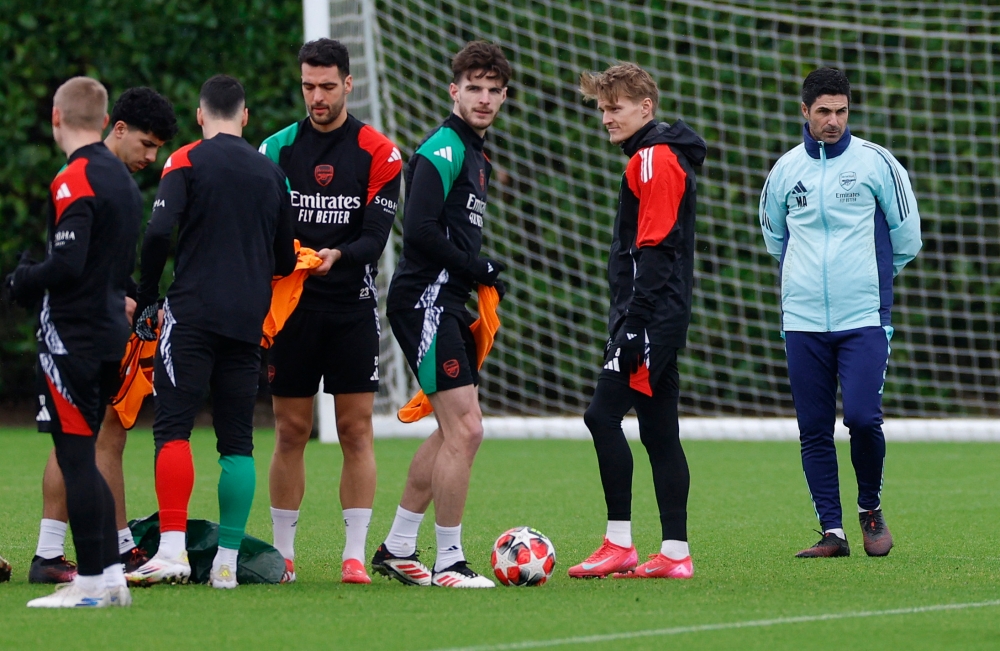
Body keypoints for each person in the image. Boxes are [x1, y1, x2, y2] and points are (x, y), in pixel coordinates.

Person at [124, 75, 332, 589]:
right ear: (244, 117)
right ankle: (226, 564)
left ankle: (170, 550)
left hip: (192, 315)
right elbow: (286, 257)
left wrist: (149, 294)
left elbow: (156, 234)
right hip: (248, 323)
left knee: (172, 428)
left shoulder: (184, 161)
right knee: (237, 442)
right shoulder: (272, 174)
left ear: (200, 115)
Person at [758, 67, 922, 558]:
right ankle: (833, 532)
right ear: (804, 112)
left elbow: (906, 238)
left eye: (842, 111)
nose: (834, 121)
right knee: (812, 428)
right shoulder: (785, 171)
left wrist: (866, 278)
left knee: (863, 418)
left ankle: (869, 509)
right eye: (824, 112)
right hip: (803, 321)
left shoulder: (877, 163)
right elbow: (775, 239)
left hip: (864, 318)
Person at [258, 38, 402, 585]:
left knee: (355, 430)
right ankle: (283, 555)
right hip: (291, 310)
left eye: (326, 86)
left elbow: (375, 238)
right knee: (291, 429)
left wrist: (337, 256)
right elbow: (263, 229)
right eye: (307, 87)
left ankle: (354, 556)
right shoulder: (275, 150)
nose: (316, 97)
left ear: (348, 83)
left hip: (351, 307)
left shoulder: (379, 152)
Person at [370, 41, 510, 589]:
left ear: (503, 96)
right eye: (473, 88)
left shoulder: (478, 155)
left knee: (457, 429)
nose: (483, 99)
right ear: (454, 91)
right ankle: (449, 561)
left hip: (444, 302)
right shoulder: (444, 147)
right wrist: (479, 268)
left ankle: (400, 547)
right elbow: (421, 231)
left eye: (492, 90)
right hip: (425, 299)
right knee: (467, 429)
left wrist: (475, 275)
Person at [31, 87, 177, 585]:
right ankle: (72, 557)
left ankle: (103, 559)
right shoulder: (93, 178)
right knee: (80, 444)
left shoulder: (104, 179)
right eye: (146, 144)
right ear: (115, 128)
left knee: (88, 441)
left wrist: (131, 298)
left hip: (92, 329)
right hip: (86, 331)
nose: (150, 157)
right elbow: (78, 262)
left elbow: (95, 264)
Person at [6, 76, 143, 607]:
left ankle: (89, 583)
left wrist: (24, 279)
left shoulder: (75, 177)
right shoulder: (122, 181)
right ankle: (109, 577)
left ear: (57, 118)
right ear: (107, 121)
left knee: (76, 456)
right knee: (82, 453)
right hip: (108, 334)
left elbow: (67, 263)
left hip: (73, 337)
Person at [567, 64, 706, 580]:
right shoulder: (658, 155)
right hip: (658, 315)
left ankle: (619, 542)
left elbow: (656, 246)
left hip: (649, 316)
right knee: (659, 432)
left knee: (601, 417)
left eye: (615, 107)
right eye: (602, 108)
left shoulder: (653, 158)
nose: (606, 117)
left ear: (645, 107)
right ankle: (674, 553)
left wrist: (633, 322)